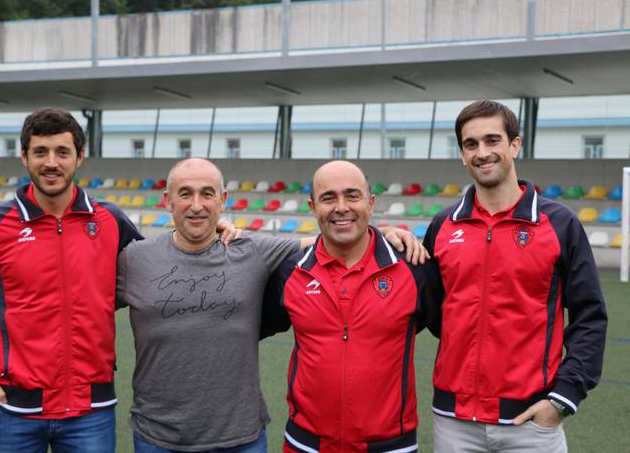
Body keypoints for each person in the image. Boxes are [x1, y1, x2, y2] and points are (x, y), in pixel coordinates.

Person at [116, 158, 426, 453]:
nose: (197, 205)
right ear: (167, 200)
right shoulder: (134, 258)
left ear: (222, 200)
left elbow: (330, 237)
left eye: (207, 194)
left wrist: (384, 234)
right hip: (157, 437)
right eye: (186, 194)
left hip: (240, 438)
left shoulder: (255, 251)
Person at [0, 107, 143, 453]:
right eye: (40, 152)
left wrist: (211, 232)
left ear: (79, 157)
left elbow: (162, 264)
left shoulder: (110, 220)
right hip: (11, 410)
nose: (51, 162)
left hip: (90, 411)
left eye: (62, 152)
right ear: (24, 157)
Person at [422, 100, 608, 452]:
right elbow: (430, 312)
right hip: (453, 420)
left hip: (531, 420)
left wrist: (563, 397)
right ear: (462, 154)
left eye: (493, 140)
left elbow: (590, 316)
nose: (482, 153)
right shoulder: (443, 225)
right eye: (471, 144)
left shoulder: (560, 224)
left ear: (514, 145)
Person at [261, 160, 433, 453]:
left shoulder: (413, 268)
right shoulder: (290, 272)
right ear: (313, 207)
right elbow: (246, 326)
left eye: (352, 196)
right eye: (328, 198)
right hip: (306, 444)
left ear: (370, 203)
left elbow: (462, 330)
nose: (341, 207)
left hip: (390, 446)